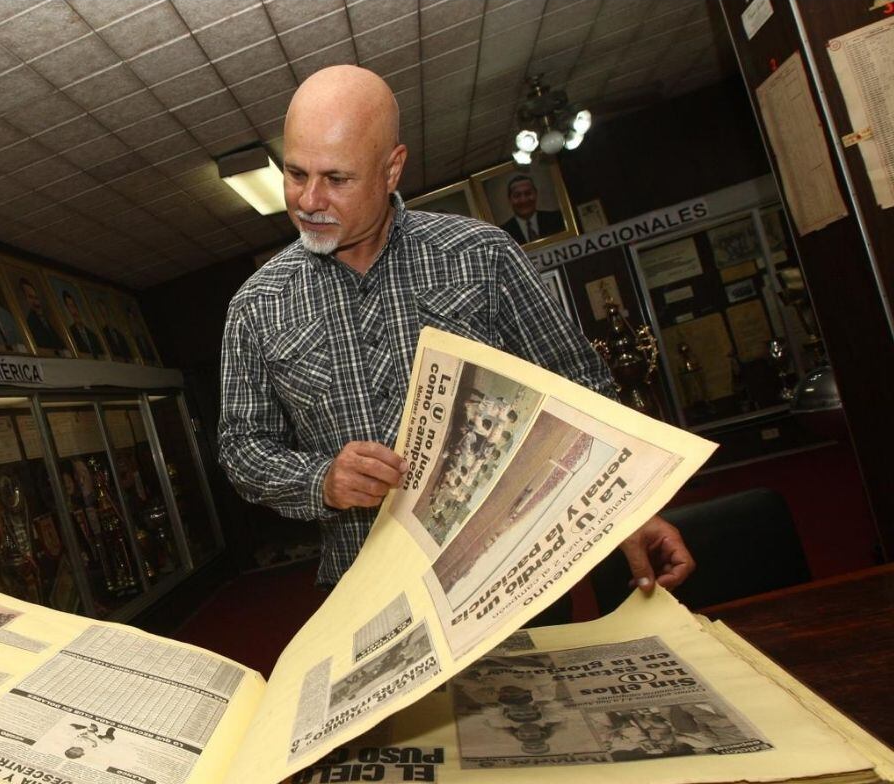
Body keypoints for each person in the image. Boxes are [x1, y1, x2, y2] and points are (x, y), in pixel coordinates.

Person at [218, 65, 693, 600]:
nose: (308, 200)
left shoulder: (481, 256)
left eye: (337, 179)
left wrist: (627, 508)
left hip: (504, 570)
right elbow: (242, 448)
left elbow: (583, 388)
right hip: (362, 588)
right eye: (296, 173)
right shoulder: (256, 306)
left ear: (392, 169)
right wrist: (321, 480)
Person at [498, 175, 565, 245]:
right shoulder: (502, 234)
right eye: (517, 195)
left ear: (536, 194)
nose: (523, 200)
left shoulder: (558, 219)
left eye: (528, 193)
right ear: (510, 200)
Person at [18, 276, 66, 351]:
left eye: (36, 298)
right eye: (30, 297)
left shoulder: (47, 321)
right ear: (24, 299)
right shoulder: (29, 323)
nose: (36, 302)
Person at [61, 289, 104, 357]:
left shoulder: (93, 335)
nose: (74, 310)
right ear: (67, 309)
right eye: (70, 306)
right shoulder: (70, 334)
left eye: (74, 305)